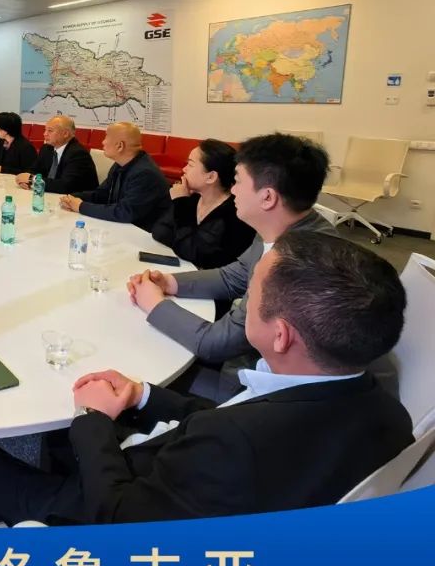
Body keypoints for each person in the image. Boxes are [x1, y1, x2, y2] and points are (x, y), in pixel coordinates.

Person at [0, 231, 414, 526]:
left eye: (251, 294)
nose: (242, 302)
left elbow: (117, 515)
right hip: (219, 491)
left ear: (280, 335)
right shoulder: (389, 414)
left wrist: (92, 419)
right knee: (65, 440)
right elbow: (233, 416)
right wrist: (142, 396)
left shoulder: (232, 444)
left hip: (120, 512)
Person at [128, 133, 334, 398]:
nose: (232, 190)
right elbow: (233, 276)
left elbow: (216, 343)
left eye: (237, 181)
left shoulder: (295, 263)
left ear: (267, 197)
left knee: (144, 374)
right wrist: (170, 282)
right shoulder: (282, 224)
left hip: (269, 390)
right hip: (253, 360)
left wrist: (154, 304)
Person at [151, 139, 255, 269]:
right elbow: (159, 230)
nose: (184, 169)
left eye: (190, 164)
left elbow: (193, 252)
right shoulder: (193, 198)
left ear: (211, 177)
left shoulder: (233, 213)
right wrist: (182, 243)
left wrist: (180, 202)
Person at [59, 122, 169, 231]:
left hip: (143, 234)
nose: (103, 142)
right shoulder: (120, 164)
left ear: (120, 146)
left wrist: (81, 206)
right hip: (123, 227)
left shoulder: (145, 173)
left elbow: (124, 212)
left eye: (106, 137)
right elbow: (102, 194)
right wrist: (71, 198)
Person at [15, 115, 97, 194]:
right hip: (51, 195)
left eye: (50, 131)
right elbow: (34, 170)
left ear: (65, 134)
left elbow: (66, 186)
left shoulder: (78, 154)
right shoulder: (47, 148)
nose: (44, 134)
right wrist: (25, 180)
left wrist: (33, 180)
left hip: (77, 199)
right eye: (45, 130)